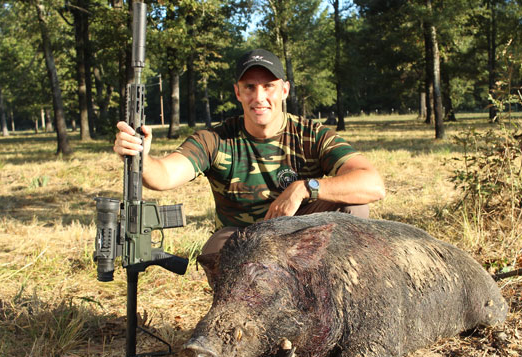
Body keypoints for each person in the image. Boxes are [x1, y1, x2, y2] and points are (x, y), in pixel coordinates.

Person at [114, 48, 385, 255]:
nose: (259, 97)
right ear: (238, 92)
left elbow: (373, 184)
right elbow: (164, 176)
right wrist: (142, 157)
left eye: (268, 86)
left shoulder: (311, 134)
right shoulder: (215, 140)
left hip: (304, 239)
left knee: (354, 206)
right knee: (215, 250)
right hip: (245, 245)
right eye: (250, 87)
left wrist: (302, 188)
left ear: (284, 90)